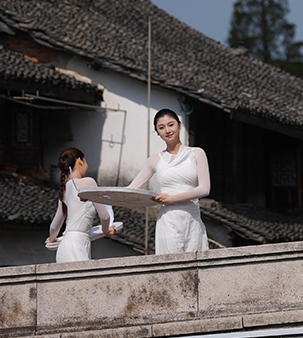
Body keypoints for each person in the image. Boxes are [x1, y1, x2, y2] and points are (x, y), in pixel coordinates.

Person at [127, 109, 210, 254]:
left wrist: (171, 199)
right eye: (161, 127)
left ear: (179, 125)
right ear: (157, 132)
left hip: (192, 218)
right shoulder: (154, 160)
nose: (167, 130)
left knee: (196, 264)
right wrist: (97, 197)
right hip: (168, 221)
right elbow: (130, 190)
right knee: (171, 265)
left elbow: (204, 189)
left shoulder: (196, 153)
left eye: (171, 125)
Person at [46, 148, 116, 262]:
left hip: (64, 247)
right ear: (80, 161)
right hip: (77, 244)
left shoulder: (64, 189)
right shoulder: (89, 182)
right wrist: (106, 230)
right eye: (86, 161)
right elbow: (104, 216)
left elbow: (55, 226)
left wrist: (51, 238)